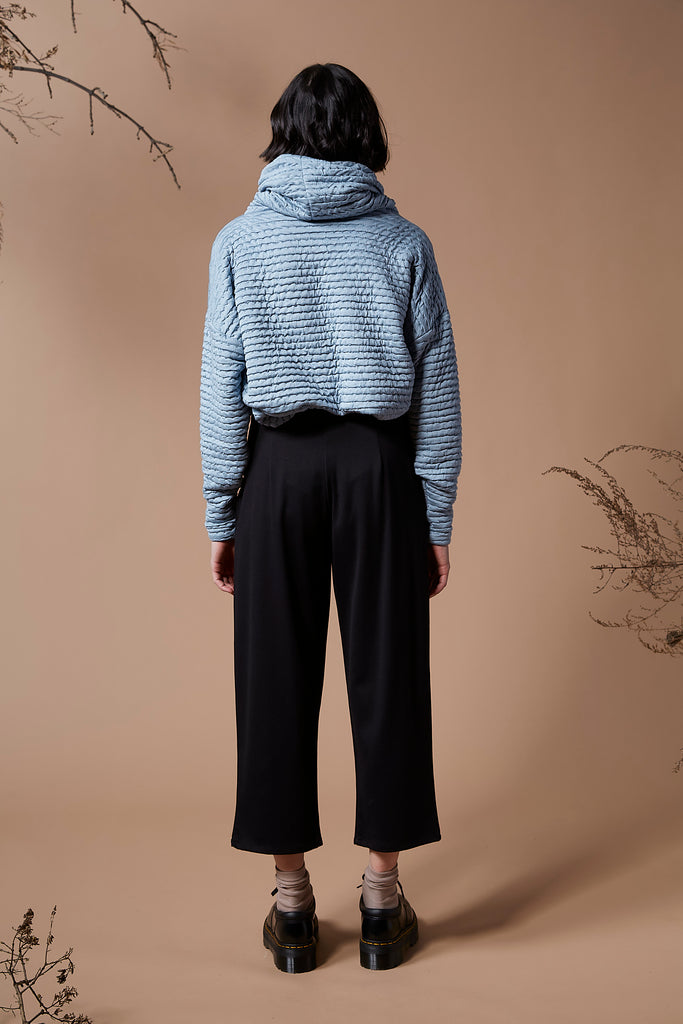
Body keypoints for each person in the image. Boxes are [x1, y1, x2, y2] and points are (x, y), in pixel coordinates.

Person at [199, 62, 462, 974]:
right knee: (388, 675)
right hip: (377, 471)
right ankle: (382, 904)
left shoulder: (240, 239)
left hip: (276, 472)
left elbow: (221, 381)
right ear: (364, 136)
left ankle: (293, 908)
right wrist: (434, 514)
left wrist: (222, 509)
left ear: (282, 133)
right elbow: (436, 387)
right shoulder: (404, 243)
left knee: (273, 675)